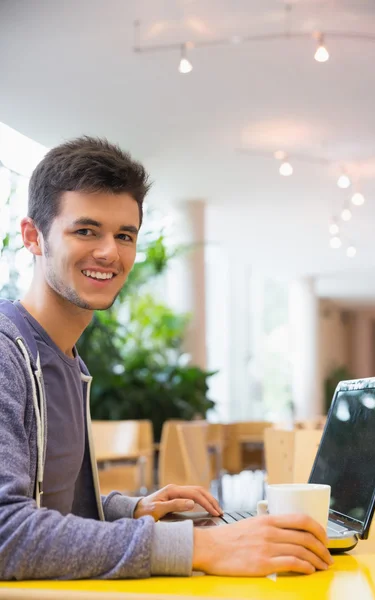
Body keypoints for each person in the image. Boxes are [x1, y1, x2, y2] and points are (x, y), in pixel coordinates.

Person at [0, 136, 333, 579]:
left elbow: (56, 506)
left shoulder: (68, 362)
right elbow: (7, 533)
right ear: (32, 237)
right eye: (85, 230)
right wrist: (196, 545)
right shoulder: (7, 351)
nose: (109, 252)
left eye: (124, 235)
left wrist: (134, 508)